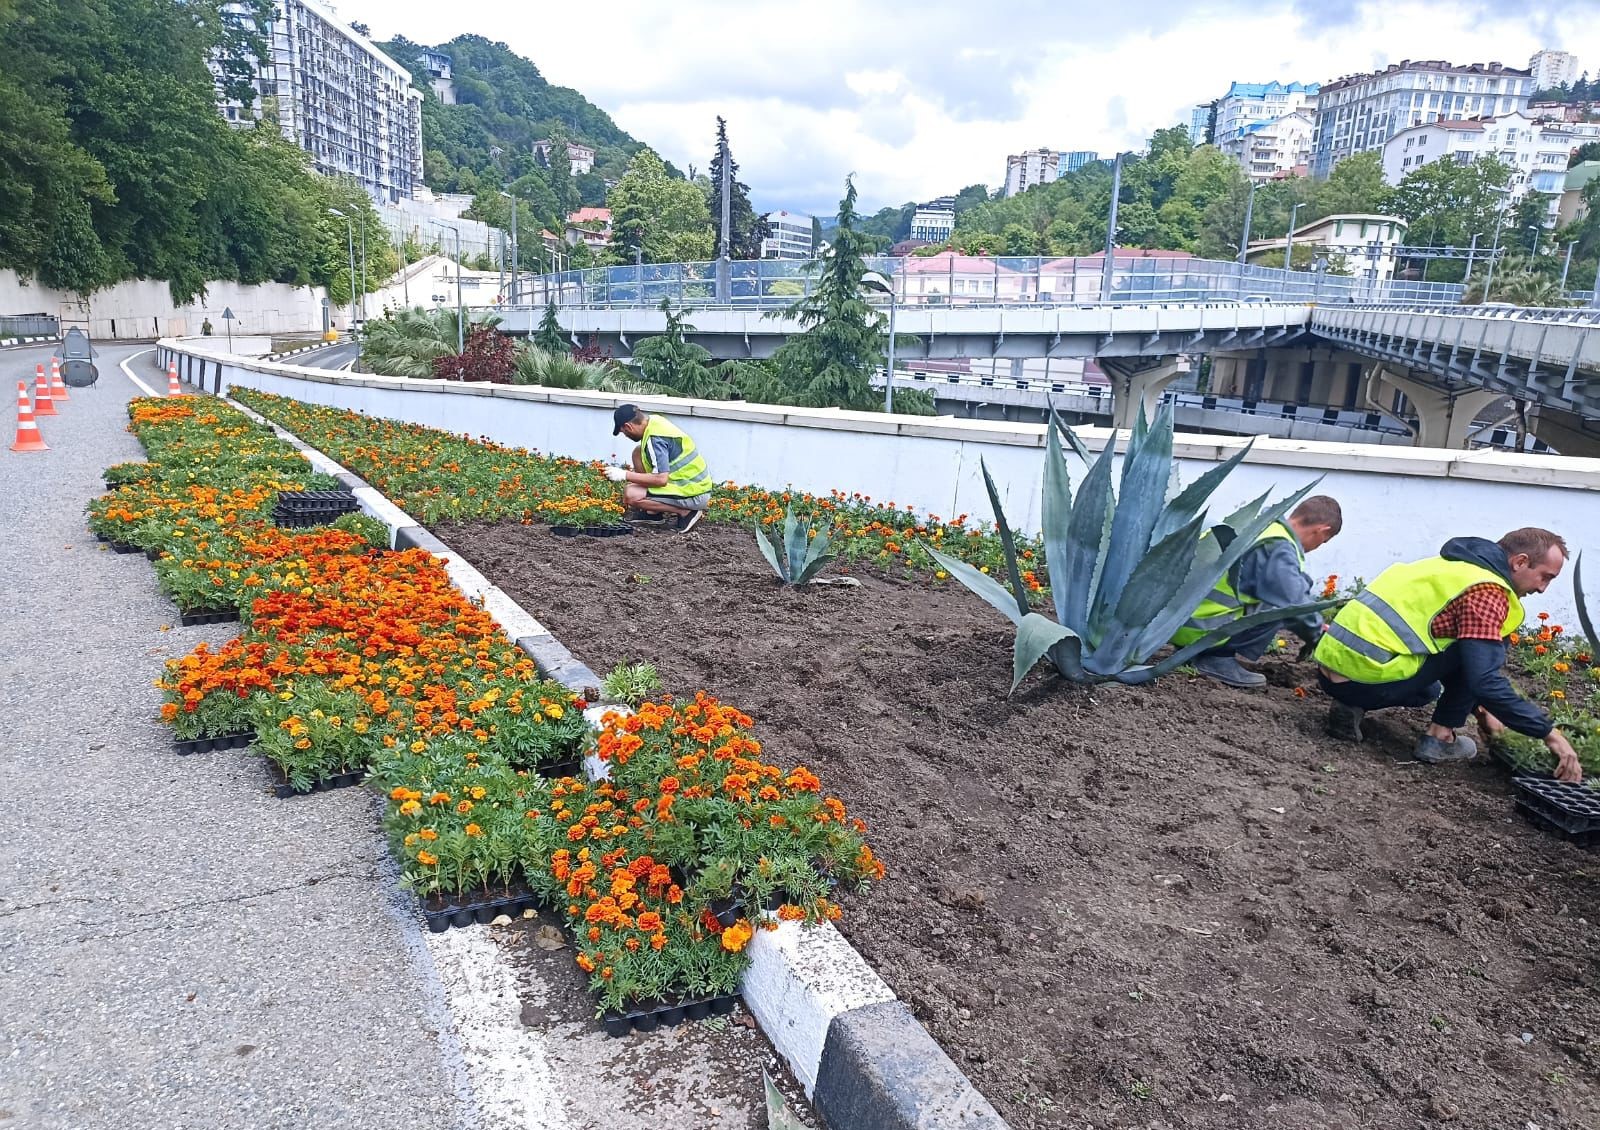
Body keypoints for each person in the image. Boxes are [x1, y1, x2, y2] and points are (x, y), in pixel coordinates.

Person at [1313, 527, 1582, 782]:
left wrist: (1481, 709)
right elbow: (1484, 680)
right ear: (1520, 562)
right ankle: (1440, 738)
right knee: (1487, 646)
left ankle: (1350, 707)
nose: (1543, 588)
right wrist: (1549, 734)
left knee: (1429, 689)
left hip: (1330, 670)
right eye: (1545, 576)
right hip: (1366, 681)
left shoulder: (1449, 566)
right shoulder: (1487, 591)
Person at [1172, 495, 1343, 689]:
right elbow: (1294, 603)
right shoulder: (1278, 547)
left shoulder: (1262, 526)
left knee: (1288, 590)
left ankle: (1199, 652)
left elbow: (1298, 585)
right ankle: (1215, 659)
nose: (1316, 548)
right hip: (1200, 630)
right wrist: (1316, 634)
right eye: (1323, 541)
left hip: (1175, 622)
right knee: (1278, 605)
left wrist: (1317, 622)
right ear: (1321, 530)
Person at [603, 404, 713, 532]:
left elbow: (661, 480)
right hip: (691, 484)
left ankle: (686, 512)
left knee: (631, 494)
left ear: (628, 426)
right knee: (638, 452)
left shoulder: (654, 439)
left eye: (624, 432)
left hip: (695, 493)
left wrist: (624, 474)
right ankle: (652, 513)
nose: (626, 435)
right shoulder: (654, 421)